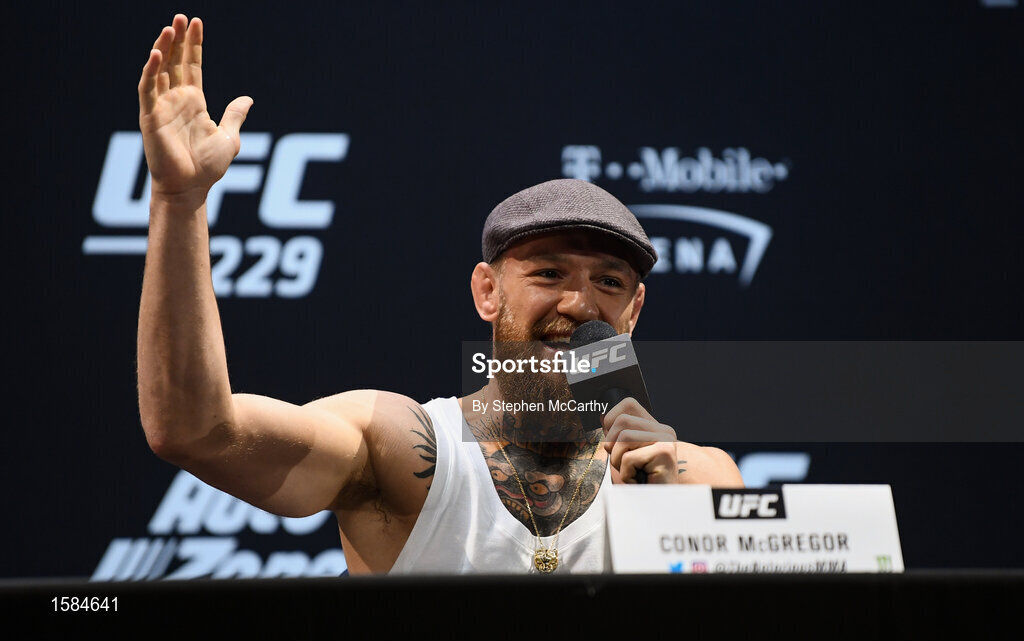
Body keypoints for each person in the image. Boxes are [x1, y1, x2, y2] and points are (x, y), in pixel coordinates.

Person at [136, 14, 743, 575]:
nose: (579, 306)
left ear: (632, 314)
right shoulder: (403, 450)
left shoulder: (697, 479)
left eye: (608, 283)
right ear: (487, 292)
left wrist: (674, 525)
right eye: (549, 274)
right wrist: (179, 202)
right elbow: (198, 431)